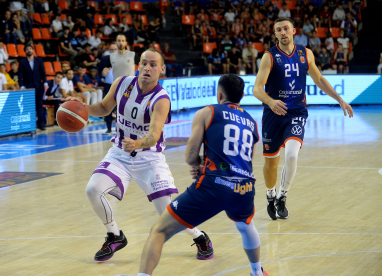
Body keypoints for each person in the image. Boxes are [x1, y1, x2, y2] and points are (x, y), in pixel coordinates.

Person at [66, 48, 213, 262]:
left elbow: (154, 135)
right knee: (93, 189)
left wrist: (136, 143)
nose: (147, 68)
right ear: (138, 65)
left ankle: (199, 236)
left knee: (167, 213)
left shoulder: (161, 99)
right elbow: (104, 107)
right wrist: (79, 108)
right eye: (144, 63)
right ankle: (114, 235)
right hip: (120, 154)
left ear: (162, 70)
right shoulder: (122, 83)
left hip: (149, 158)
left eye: (153, 64)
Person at [138, 74, 268, 276]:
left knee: (159, 230)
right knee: (246, 225)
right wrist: (208, 164)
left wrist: (200, 164)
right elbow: (244, 160)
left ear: (219, 94)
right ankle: (257, 271)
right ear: (242, 95)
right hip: (245, 187)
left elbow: (190, 157)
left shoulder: (208, 112)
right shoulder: (251, 122)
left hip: (215, 186)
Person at [253, 17, 353, 220]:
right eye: (278, 30)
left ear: (293, 31)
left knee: (291, 156)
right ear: (275, 34)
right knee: (271, 163)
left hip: (297, 113)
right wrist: (271, 102)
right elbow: (257, 89)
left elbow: (320, 80)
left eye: (286, 29)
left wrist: (340, 100)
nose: (283, 32)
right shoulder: (269, 56)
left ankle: (282, 196)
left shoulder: (305, 54)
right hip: (273, 113)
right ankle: (270, 194)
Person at [18, 44, 48, 130]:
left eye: (30, 49)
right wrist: (21, 86)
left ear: (33, 50)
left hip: (38, 86)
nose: (29, 50)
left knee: (39, 105)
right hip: (28, 87)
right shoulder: (22, 62)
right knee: (29, 106)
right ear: (25, 52)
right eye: (27, 49)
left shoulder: (39, 60)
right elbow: (20, 76)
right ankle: (30, 125)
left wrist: (45, 82)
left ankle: (41, 124)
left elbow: (43, 72)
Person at [98, 43, 118, 134]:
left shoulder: (122, 60)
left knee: (120, 108)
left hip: (119, 86)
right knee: (107, 107)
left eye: (115, 49)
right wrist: (103, 77)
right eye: (111, 50)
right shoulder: (104, 59)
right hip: (108, 86)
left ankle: (120, 129)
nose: (113, 51)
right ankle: (109, 128)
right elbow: (99, 72)